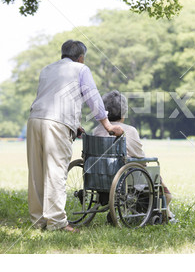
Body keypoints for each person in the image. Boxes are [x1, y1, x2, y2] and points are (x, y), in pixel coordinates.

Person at [26, 40, 124, 232]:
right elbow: (93, 97)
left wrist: (75, 123)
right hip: (57, 123)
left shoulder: (47, 69)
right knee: (56, 171)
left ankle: (38, 221)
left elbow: (50, 97)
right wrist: (108, 125)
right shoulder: (81, 69)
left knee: (36, 173)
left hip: (35, 119)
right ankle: (57, 223)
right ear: (81, 57)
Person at [92, 90, 175, 222]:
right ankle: (165, 214)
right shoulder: (130, 130)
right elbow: (140, 158)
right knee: (164, 191)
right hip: (126, 178)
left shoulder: (96, 131)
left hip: (100, 176)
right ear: (123, 113)